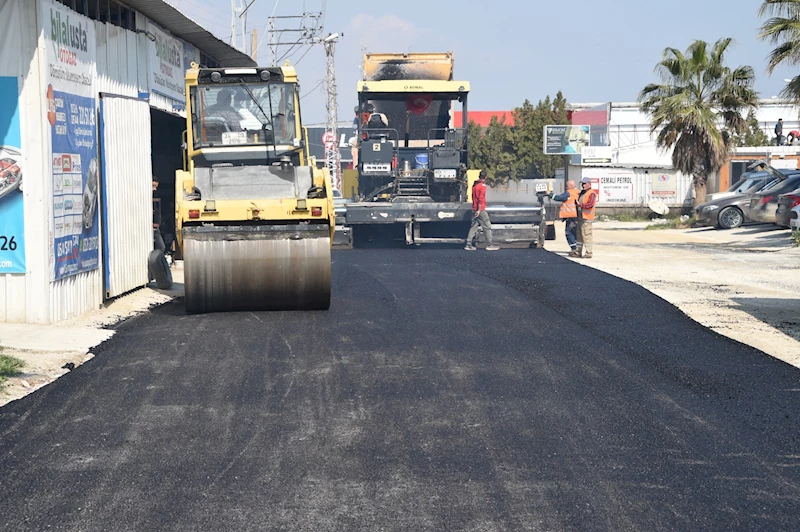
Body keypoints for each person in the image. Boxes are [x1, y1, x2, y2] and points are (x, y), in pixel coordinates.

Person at [465, 170, 499, 251]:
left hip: (474, 208)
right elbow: (481, 199)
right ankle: (489, 244)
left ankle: (468, 244)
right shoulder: (482, 186)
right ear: (486, 177)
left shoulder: (474, 185)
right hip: (480, 210)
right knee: (487, 226)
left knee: (474, 226)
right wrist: (479, 210)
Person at [549, 180, 580, 256]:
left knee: (569, 233)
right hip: (577, 216)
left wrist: (550, 194)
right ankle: (577, 248)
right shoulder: (578, 192)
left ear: (570, 186)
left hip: (570, 216)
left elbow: (558, 198)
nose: (566, 188)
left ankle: (574, 249)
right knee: (575, 233)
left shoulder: (568, 193)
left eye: (567, 186)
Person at [575, 177, 597, 259]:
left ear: (589, 184)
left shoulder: (591, 193)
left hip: (587, 218)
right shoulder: (583, 193)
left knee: (587, 235)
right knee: (579, 235)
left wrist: (580, 205)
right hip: (581, 217)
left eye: (584, 184)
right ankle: (578, 251)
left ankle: (589, 252)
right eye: (582, 184)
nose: (583, 185)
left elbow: (590, 205)